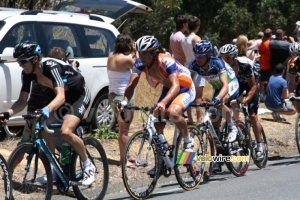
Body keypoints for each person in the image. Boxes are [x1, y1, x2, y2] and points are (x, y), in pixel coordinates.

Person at [1, 41, 95, 186]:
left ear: (35, 59)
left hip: (78, 94)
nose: (21, 65)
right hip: (62, 96)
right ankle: (54, 168)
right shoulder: (27, 74)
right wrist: (8, 113)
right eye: (19, 62)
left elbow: (61, 96)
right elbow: (22, 101)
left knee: (66, 131)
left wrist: (47, 109)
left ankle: (89, 166)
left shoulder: (51, 66)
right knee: (44, 127)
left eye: (23, 61)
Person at [121, 35, 196, 153]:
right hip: (169, 88)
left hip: (185, 88)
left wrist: (163, 102)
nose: (142, 57)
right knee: (156, 118)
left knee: (172, 112)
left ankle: (188, 140)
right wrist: (125, 101)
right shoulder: (140, 64)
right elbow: (131, 86)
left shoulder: (166, 61)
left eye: (145, 53)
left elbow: (176, 86)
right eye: (140, 53)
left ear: (153, 53)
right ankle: (164, 154)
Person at [219, 36, 265, 160]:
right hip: (237, 85)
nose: (225, 61)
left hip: (251, 86)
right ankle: (238, 130)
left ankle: (259, 146)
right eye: (223, 58)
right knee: (230, 106)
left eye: (228, 58)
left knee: (252, 116)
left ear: (234, 57)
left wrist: (246, 100)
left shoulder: (244, 65)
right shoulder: (221, 68)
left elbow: (253, 86)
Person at [189, 40, 240, 143]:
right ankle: (219, 144)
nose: (197, 58)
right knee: (213, 116)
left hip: (230, 84)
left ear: (208, 55)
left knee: (220, 102)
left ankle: (232, 126)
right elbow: (187, 83)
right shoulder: (194, 65)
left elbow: (225, 85)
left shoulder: (217, 63)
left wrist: (217, 99)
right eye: (196, 55)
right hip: (217, 87)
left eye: (201, 55)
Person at [107, 34, 136, 168]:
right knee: (124, 131)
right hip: (123, 96)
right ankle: (123, 161)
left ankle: (126, 154)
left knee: (121, 129)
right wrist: (136, 52)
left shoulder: (111, 55)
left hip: (112, 96)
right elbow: (139, 67)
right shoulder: (126, 59)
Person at [181, 16, 205, 124]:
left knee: (188, 93)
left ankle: (190, 118)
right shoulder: (196, 39)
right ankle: (199, 118)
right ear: (197, 26)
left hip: (186, 66)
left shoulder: (184, 39)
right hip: (197, 66)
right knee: (198, 95)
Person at [258, 28, 273, 102]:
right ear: (270, 35)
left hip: (262, 64)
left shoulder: (261, 44)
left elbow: (260, 53)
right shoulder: (269, 44)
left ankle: (261, 95)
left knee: (262, 80)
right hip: (268, 64)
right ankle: (268, 95)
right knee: (269, 80)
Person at [287, 42, 300, 113]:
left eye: (297, 54)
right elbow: (291, 82)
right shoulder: (293, 64)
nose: (295, 57)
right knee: (297, 103)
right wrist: (291, 94)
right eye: (293, 54)